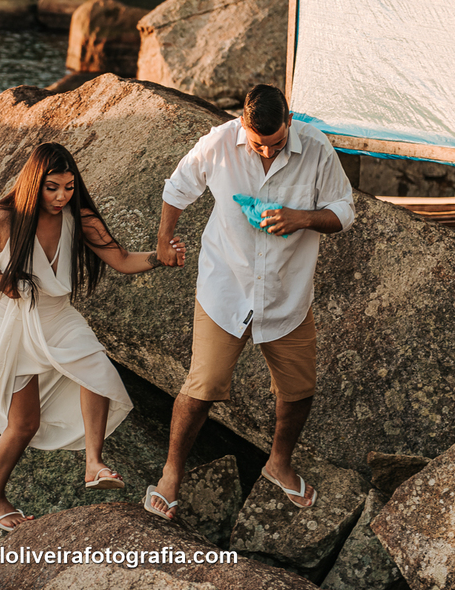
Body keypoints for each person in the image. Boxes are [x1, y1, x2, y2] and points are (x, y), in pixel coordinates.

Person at [143, 84, 354, 520]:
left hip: (286, 294)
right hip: (226, 288)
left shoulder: (316, 150)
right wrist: (164, 240)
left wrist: (304, 218)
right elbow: (177, 187)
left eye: (276, 143)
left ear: (289, 122)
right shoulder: (217, 144)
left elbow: (345, 210)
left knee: (299, 391)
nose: (267, 152)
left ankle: (278, 464)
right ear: (243, 122)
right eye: (259, 144)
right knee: (201, 388)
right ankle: (170, 474)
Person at [0, 142, 186, 531]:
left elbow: (122, 260)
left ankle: (94, 464)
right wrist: (2, 282)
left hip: (56, 313)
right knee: (24, 424)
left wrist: (158, 257)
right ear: (34, 184)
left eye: (68, 186)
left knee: (95, 366)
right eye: (52, 188)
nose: (62, 196)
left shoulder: (81, 218)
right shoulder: (3, 219)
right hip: (12, 318)